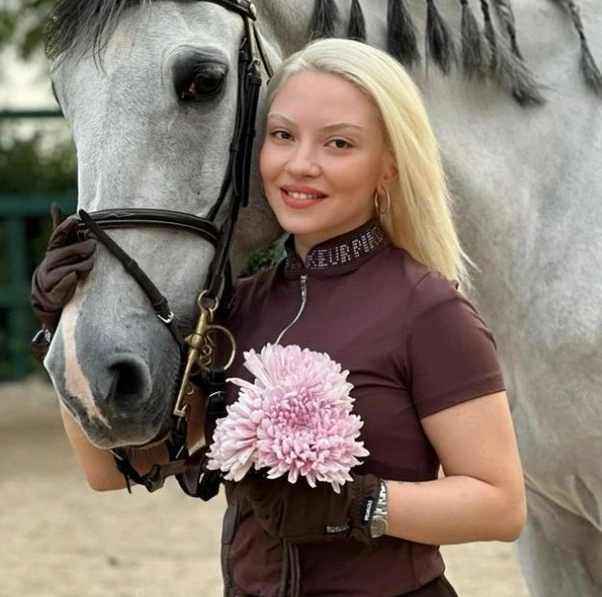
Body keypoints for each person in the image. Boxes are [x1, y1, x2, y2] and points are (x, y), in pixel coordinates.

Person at [31, 38, 526, 597]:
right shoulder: (237, 307)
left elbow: (499, 504)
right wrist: (62, 323)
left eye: (338, 143)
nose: (300, 164)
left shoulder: (429, 309)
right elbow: (113, 471)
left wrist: (360, 504)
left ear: (389, 167)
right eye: (283, 135)